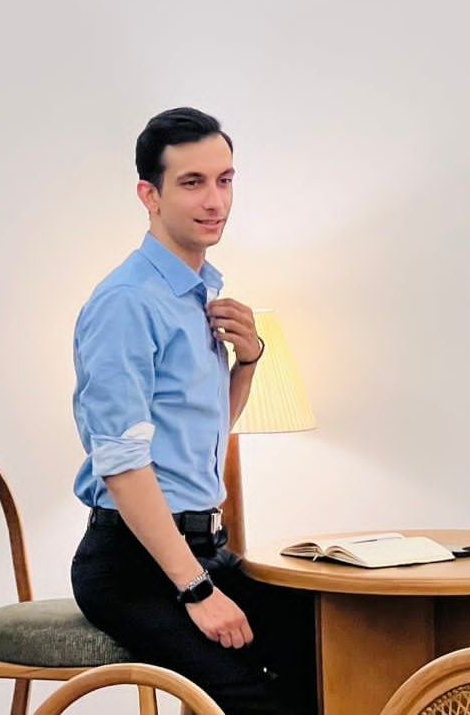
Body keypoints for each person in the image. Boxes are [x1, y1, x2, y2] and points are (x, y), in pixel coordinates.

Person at [69, 107, 316, 715]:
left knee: (327, 646)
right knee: (255, 697)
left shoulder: (195, 294)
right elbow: (122, 465)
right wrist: (197, 589)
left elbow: (204, 432)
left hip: (202, 546)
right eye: (192, 182)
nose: (215, 201)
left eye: (225, 180)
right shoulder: (128, 302)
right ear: (148, 195)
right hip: (132, 565)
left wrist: (249, 360)